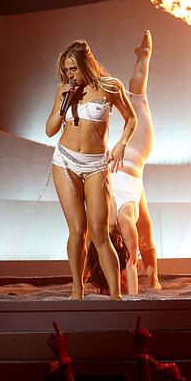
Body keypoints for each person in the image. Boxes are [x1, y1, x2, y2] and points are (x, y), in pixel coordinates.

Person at [46, 40, 137, 300]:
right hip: (65, 162)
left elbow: (131, 119)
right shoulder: (64, 91)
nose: (70, 75)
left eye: (73, 69)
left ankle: (116, 296)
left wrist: (121, 144)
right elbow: (50, 130)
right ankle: (78, 290)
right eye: (66, 70)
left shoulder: (111, 86)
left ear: (86, 65)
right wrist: (63, 105)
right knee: (77, 231)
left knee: (100, 232)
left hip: (97, 165)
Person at [109, 31, 161, 294]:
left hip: (128, 157)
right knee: (147, 224)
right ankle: (154, 279)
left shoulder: (117, 222)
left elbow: (130, 263)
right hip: (123, 168)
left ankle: (145, 56)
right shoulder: (110, 222)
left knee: (138, 98)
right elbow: (130, 263)